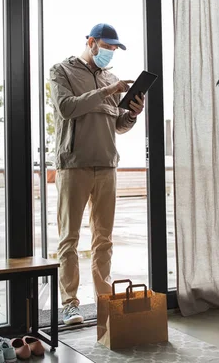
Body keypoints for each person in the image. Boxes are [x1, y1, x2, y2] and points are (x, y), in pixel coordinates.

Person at [49, 23, 145, 325]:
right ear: (91, 42)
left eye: (115, 49)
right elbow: (66, 108)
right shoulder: (61, 71)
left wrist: (131, 113)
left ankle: (105, 302)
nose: (111, 52)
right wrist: (107, 91)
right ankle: (70, 304)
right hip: (73, 165)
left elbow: (118, 125)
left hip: (107, 166)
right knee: (69, 239)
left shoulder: (112, 78)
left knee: (103, 240)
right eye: (108, 46)